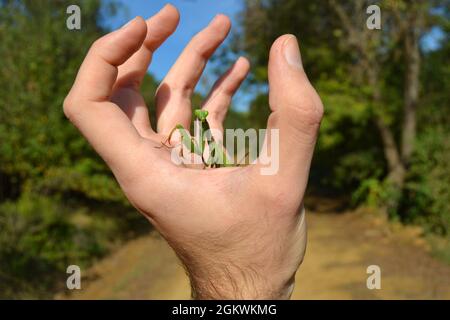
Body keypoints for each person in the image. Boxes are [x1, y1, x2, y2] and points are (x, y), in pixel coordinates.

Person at [63, 4, 323, 300]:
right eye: (199, 118)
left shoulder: (202, 139)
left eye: (200, 118)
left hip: (217, 164)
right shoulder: (191, 135)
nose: (200, 118)